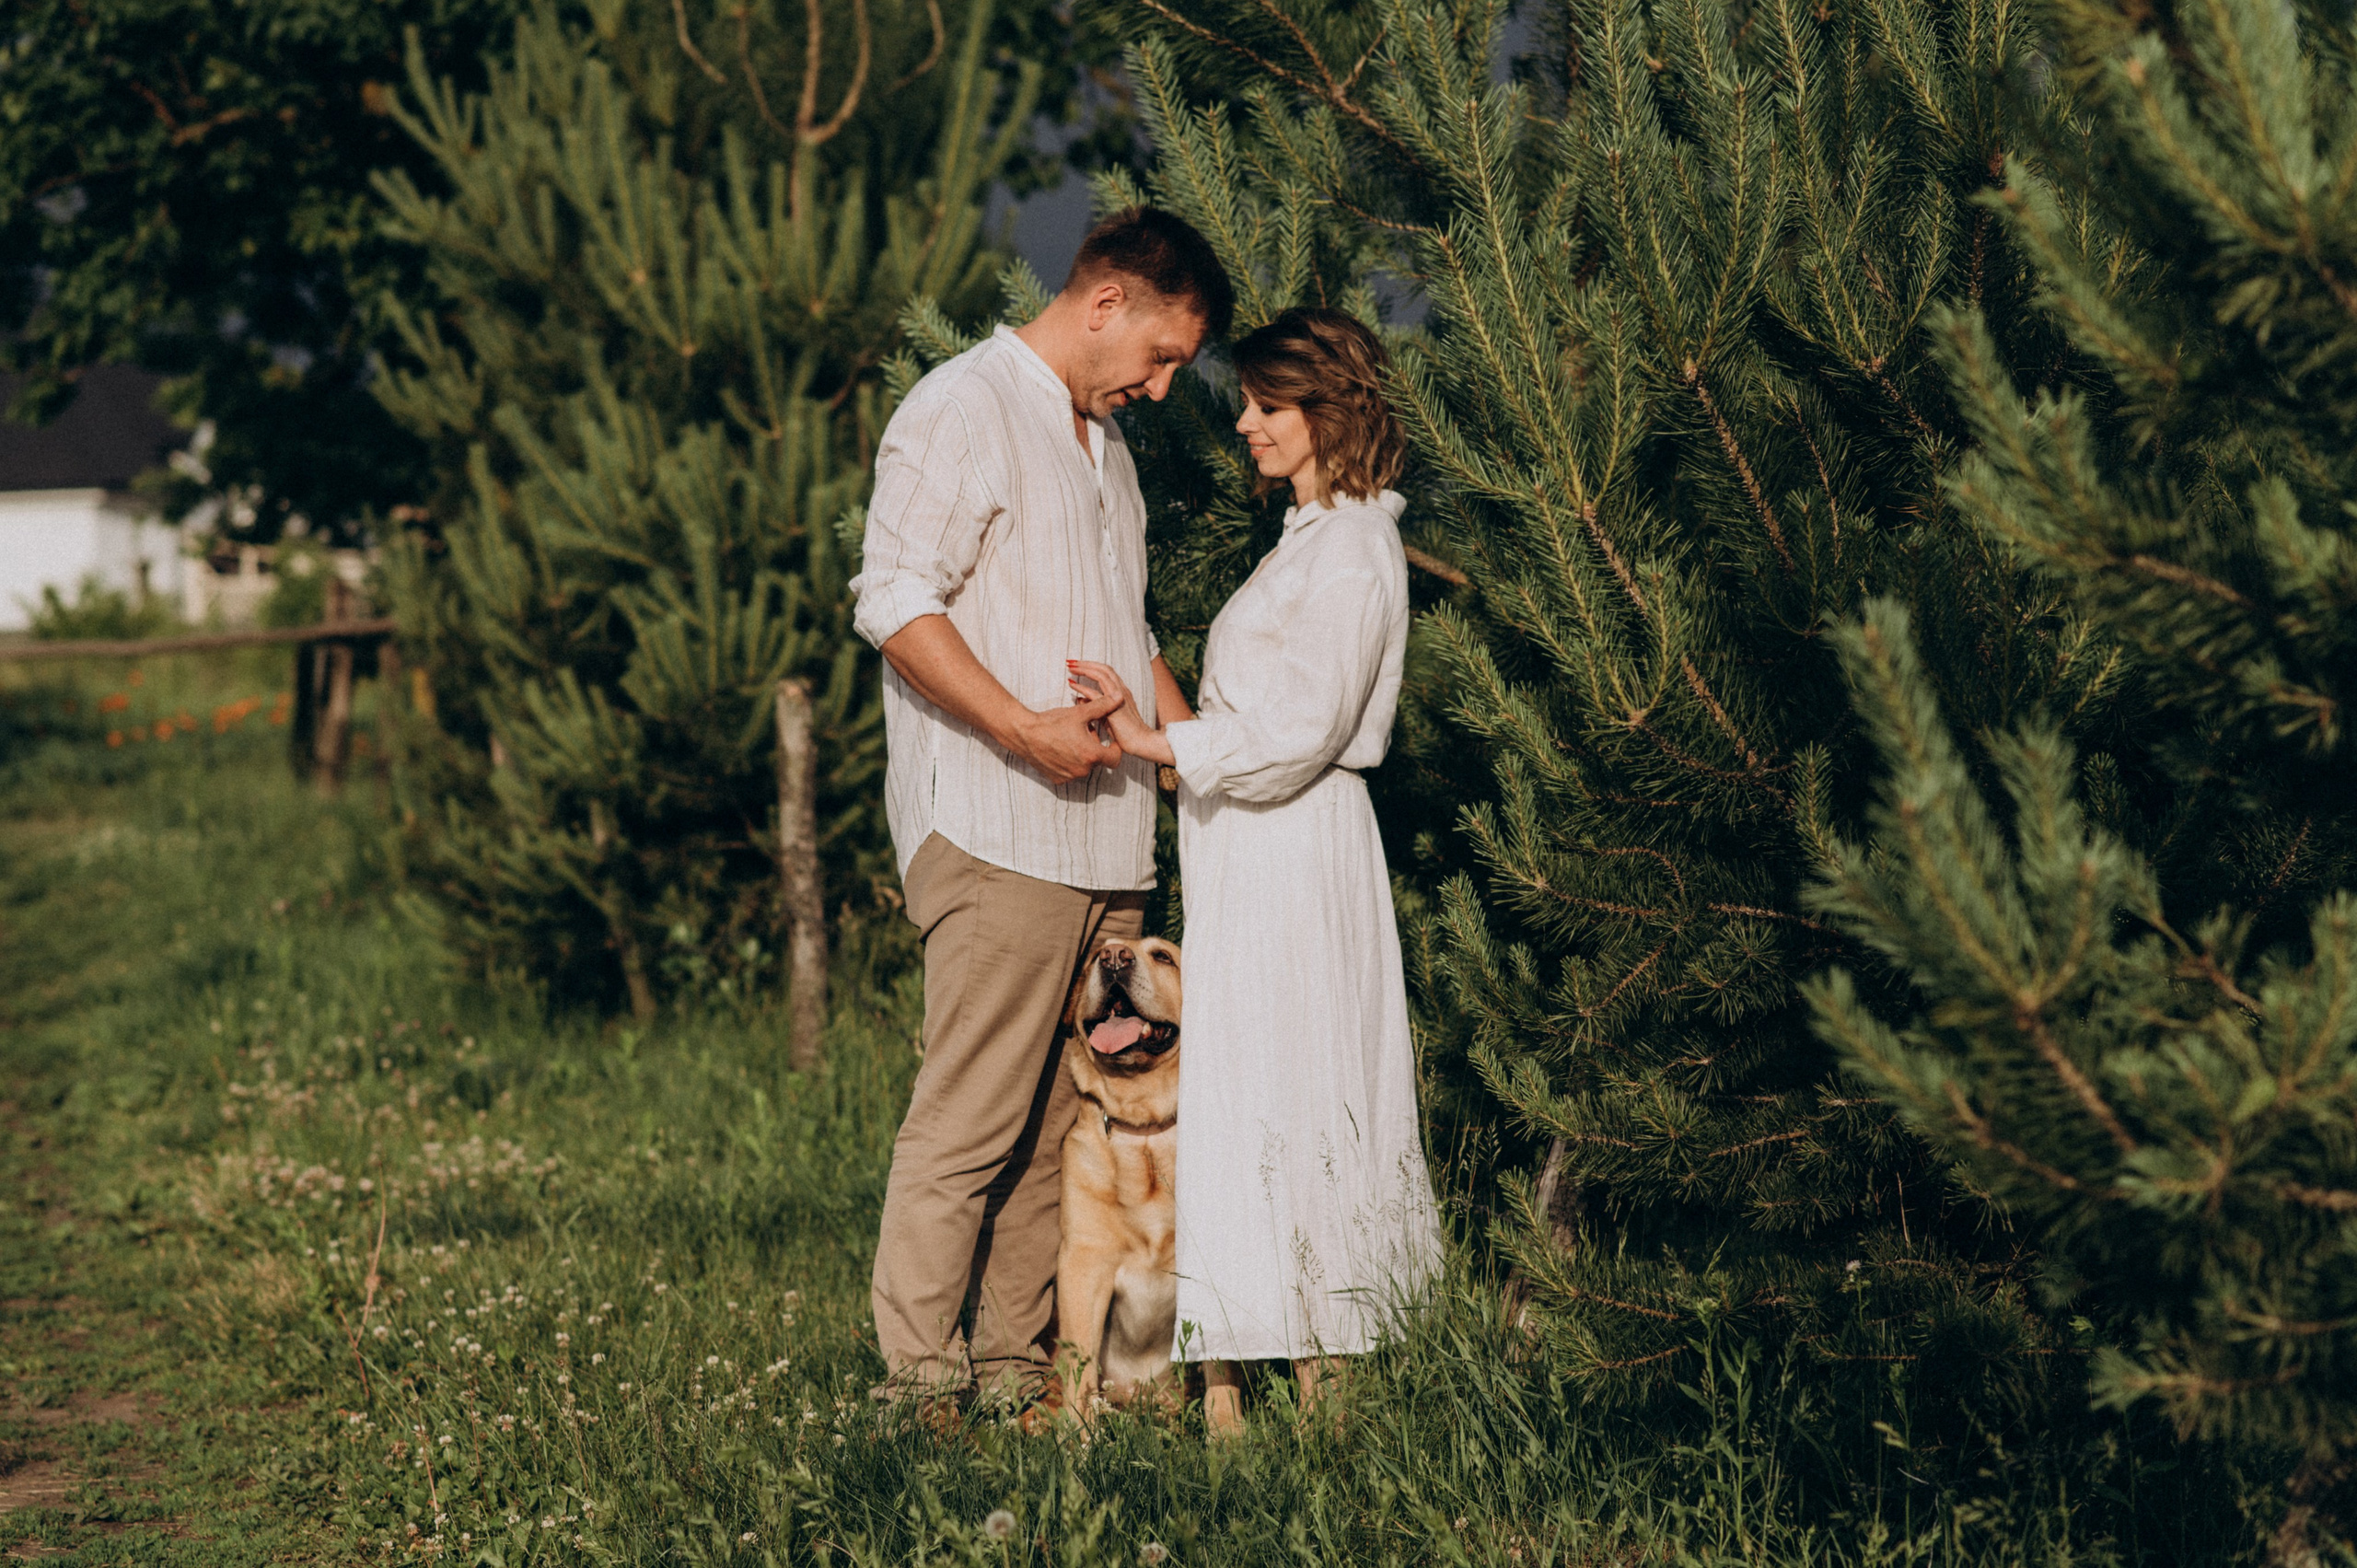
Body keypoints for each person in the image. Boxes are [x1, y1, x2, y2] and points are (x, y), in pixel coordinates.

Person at [851, 207, 1235, 1410]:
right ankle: (923, 1392)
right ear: (1107, 301)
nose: (1165, 388)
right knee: (968, 1129)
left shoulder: (1107, 450)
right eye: (1163, 356)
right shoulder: (961, 408)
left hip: (1108, 841)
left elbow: (1132, 633)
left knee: (1056, 1138)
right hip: (996, 826)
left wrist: (1195, 757)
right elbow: (893, 598)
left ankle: (1023, 1384)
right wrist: (1019, 726)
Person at [1069, 307, 1446, 1439]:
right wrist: (1156, 711)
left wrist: (1150, 741)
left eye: (1265, 407)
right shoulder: (1307, 538)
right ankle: (1247, 1367)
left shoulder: (1355, 549)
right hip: (1252, 850)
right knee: (1257, 1096)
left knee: (1307, 1085)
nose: (1242, 423)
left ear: (1330, 412)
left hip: (1296, 848)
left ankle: (1338, 1378)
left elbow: (1297, 732)